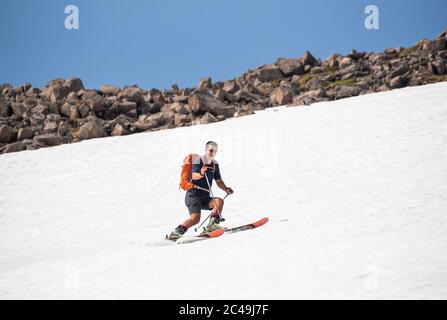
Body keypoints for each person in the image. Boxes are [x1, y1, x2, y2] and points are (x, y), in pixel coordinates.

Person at [168, 141, 234, 240]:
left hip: (205, 196)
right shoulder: (198, 161)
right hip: (193, 195)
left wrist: (226, 189)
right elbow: (194, 175)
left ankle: (211, 226)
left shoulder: (215, 164)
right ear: (206, 150)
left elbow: (219, 181)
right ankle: (175, 233)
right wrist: (201, 173)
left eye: (215, 151)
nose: (213, 153)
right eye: (211, 150)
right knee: (195, 219)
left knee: (219, 202)